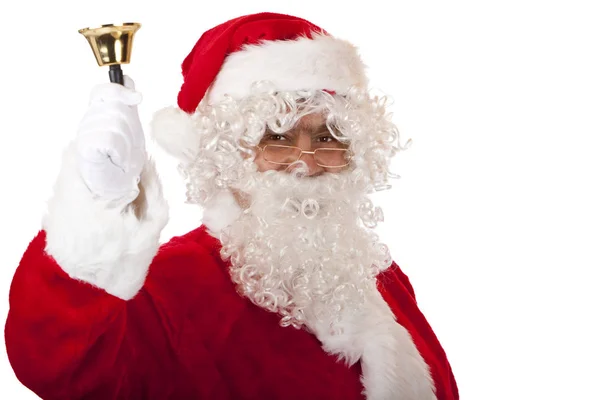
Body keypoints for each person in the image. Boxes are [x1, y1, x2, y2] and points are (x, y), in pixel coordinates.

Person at [4, 12, 459, 400]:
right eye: (276, 138)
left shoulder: (374, 272)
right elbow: (60, 366)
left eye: (327, 138)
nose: (306, 162)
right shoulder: (170, 284)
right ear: (226, 155)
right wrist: (97, 207)